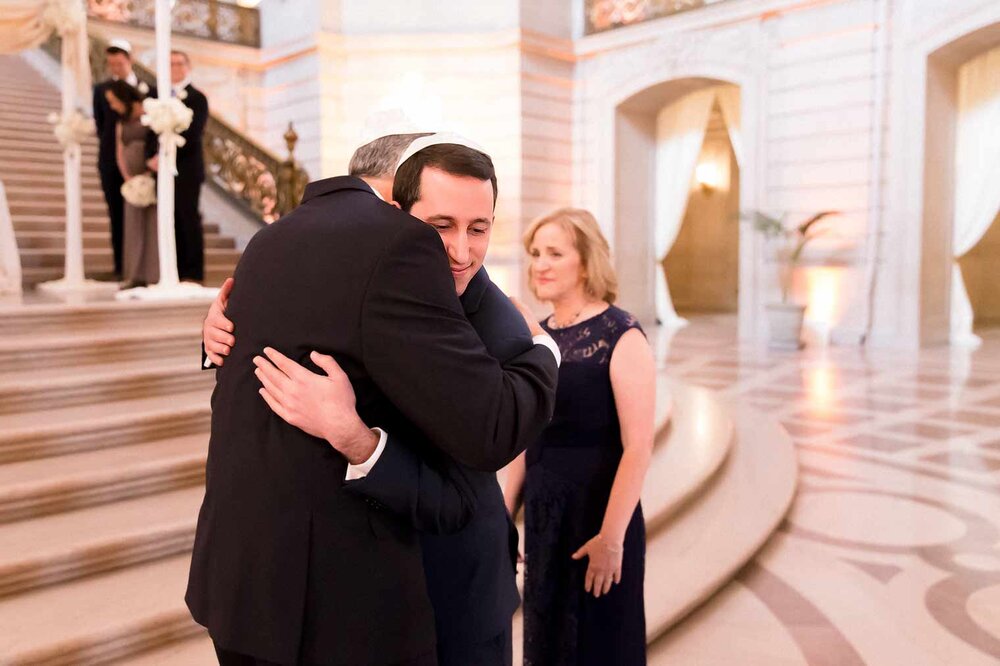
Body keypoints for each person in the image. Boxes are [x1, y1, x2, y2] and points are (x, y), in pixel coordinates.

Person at [186, 132, 560, 666]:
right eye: (440, 225)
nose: (459, 249)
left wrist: (548, 346)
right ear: (399, 207)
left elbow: (476, 460)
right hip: (321, 583)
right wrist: (215, 336)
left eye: (477, 227)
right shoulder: (362, 257)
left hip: (455, 583)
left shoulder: (489, 308)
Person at [504, 208, 655, 666]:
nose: (540, 264)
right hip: (547, 516)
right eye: (535, 254)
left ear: (586, 262)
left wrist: (612, 538)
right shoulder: (538, 335)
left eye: (555, 253)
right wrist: (502, 516)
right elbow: (523, 439)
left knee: (600, 644)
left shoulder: (620, 334)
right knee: (547, 642)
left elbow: (638, 447)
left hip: (600, 514)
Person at [93, 39, 150, 279]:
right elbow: (100, 125)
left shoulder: (149, 88)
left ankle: (144, 265)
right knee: (116, 212)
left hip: (142, 160)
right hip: (111, 160)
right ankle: (121, 266)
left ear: (129, 60)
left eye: (119, 63)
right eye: (111, 64)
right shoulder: (101, 90)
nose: (115, 68)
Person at [104, 81, 158, 288]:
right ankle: (134, 274)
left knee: (151, 225)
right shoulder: (121, 121)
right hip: (132, 179)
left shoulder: (149, 112)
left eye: (114, 101)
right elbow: (119, 149)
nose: (112, 106)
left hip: (149, 174)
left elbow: (156, 141)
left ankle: (152, 273)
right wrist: (127, 176)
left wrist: (148, 172)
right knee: (132, 225)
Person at [164, 50, 208, 283]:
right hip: (163, 169)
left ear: (187, 67)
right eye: (170, 64)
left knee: (188, 217)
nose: (174, 67)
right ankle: (175, 269)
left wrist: (169, 151)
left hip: (188, 167)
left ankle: (193, 272)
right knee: (170, 218)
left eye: (179, 63)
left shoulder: (197, 97)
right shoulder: (159, 96)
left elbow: (194, 134)